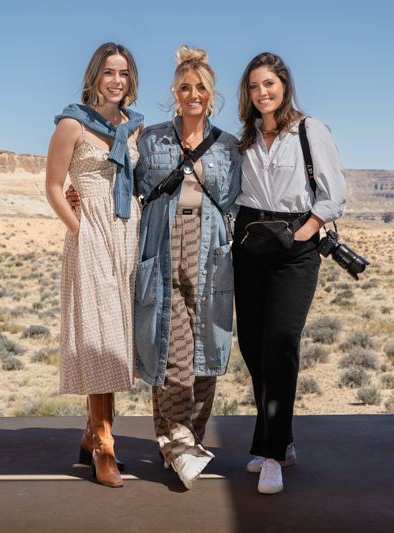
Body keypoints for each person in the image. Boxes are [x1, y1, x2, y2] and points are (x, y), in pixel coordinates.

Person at [232, 52, 347, 495]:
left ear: (284, 85)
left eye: (270, 84)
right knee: (253, 346)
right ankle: (283, 438)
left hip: (294, 251)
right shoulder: (243, 138)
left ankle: (272, 454)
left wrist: (306, 233)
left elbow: (333, 193)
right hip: (249, 246)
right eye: (255, 86)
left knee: (280, 344)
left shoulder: (309, 130)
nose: (263, 93)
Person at [133, 45, 242, 489]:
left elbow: (235, 204)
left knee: (206, 353)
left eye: (200, 88)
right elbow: (128, 190)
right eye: (185, 87)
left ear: (210, 94)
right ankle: (178, 442)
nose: (192, 94)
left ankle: (183, 441)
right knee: (170, 348)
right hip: (162, 249)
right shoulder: (151, 140)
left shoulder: (229, 146)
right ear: (174, 91)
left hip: (211, 256)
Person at [45, 42, 143, 488]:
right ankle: (105, 446)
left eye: (123, 73)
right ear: (95, 76)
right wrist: (82, 231)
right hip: (92, 237)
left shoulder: (135, 127)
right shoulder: (72, 123)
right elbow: (52, 186)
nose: (116, 80)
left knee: (118, 341)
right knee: (100, 337)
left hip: (128, 236)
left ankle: (91, 433)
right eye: (109, 72)